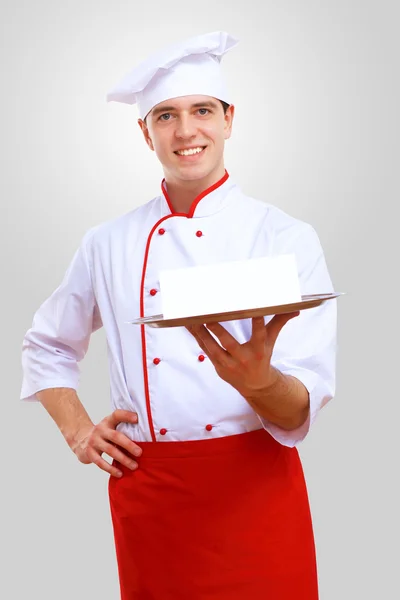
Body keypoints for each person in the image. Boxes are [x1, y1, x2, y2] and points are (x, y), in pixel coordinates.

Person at [21, 31, 336, 599]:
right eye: (165, 115)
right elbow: (47, 346)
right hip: (151, 492)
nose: (186, 131)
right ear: (145, 133)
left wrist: (260, 383)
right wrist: (77, 431)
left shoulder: (286, 236)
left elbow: (300, 407)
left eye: (202, 111)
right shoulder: (107, 242)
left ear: (229, 119)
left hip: (255, 487)